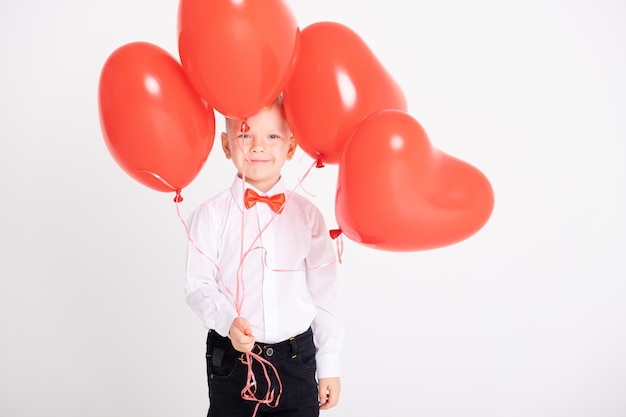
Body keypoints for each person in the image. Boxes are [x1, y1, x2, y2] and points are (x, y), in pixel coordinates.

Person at [184, 96, 343, 417]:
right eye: (245, 134)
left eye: (272, 136)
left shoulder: (309, 216)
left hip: (297, 360)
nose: (258, 146)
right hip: (232, 361)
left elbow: (325, 294)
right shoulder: (210, 215)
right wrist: (229, 321)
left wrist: (329, 364)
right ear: (226, 145)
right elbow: (198, 285)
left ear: (291, 146)